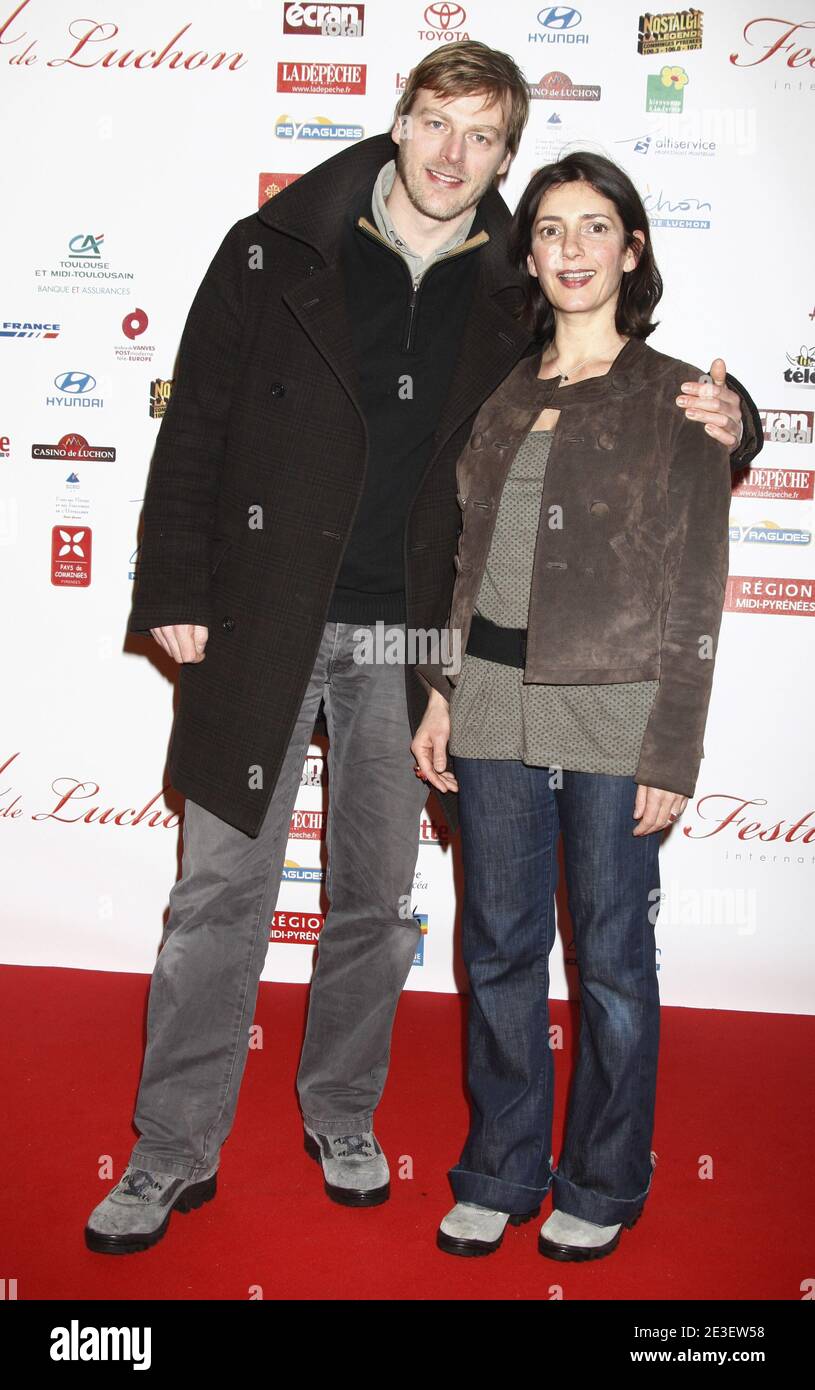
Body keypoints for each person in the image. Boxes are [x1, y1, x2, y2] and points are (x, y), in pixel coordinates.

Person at [85, 41, 762, 1255]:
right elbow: (196, 422)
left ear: (505, 154)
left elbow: (620, 382)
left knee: (373, 903)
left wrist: (740, 417)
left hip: (409, 640)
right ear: (397, 121)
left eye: (484, 136)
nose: (456, 155)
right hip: (258, 622)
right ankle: (170, 1148)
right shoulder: (274, 247)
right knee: (217, 897)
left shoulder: (515, 282)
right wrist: (175, 583)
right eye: (438, 123)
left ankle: (342, 1113)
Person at [411, 150, 741, 1263]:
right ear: (531, 252)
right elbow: (465, 562)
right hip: (492, 700)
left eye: (593, 227)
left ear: (629, 249)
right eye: (549, 229)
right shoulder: (504, 393)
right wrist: (442, 691)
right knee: (498, 946)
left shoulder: (681, 396)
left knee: (607, 955)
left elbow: (694, 586)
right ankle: (501, 1165)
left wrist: (672, 745)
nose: (569, 249)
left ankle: (604, 1172)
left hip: (615, 709)